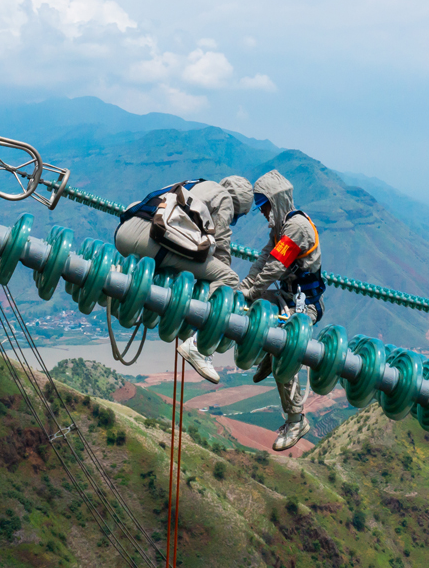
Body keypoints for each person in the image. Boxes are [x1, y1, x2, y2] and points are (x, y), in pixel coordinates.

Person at [115, 176, 253, 383]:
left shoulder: (195, 183)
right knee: (228, 278)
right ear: (238, 203)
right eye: (237, 216)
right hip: (151, 241)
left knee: (179, 264)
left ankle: (118, 278)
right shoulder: (224, 199)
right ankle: (197, 345)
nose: (234, 220)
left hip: (125, 232)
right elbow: (222, 246)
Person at [238, 170, 326, 451]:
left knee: (285, 361)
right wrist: (245, 289)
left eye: (264, 206)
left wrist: (252, 289)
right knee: (251, 303)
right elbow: (264, 258)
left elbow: (276, 265)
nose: (263, 212)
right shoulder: (280, 228)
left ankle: (296, 419)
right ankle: (266, 351)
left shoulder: (296, 228)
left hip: (304, 305)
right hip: (287, 296)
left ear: (275, 202)